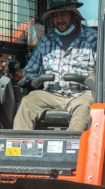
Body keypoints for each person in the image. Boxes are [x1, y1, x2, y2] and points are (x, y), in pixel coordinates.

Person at [13, 0, 97, 131]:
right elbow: (31, 71)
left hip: (81, 94)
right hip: (52, 94)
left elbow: (103, 74)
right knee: (27, 102)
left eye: (63, 15)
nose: (59, 20)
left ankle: (72, 146)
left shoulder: (92, 38)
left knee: (86, 105)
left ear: (74, 15)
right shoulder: (47, 41)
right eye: (55, 16)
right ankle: (20, 146)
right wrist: (21, 75)